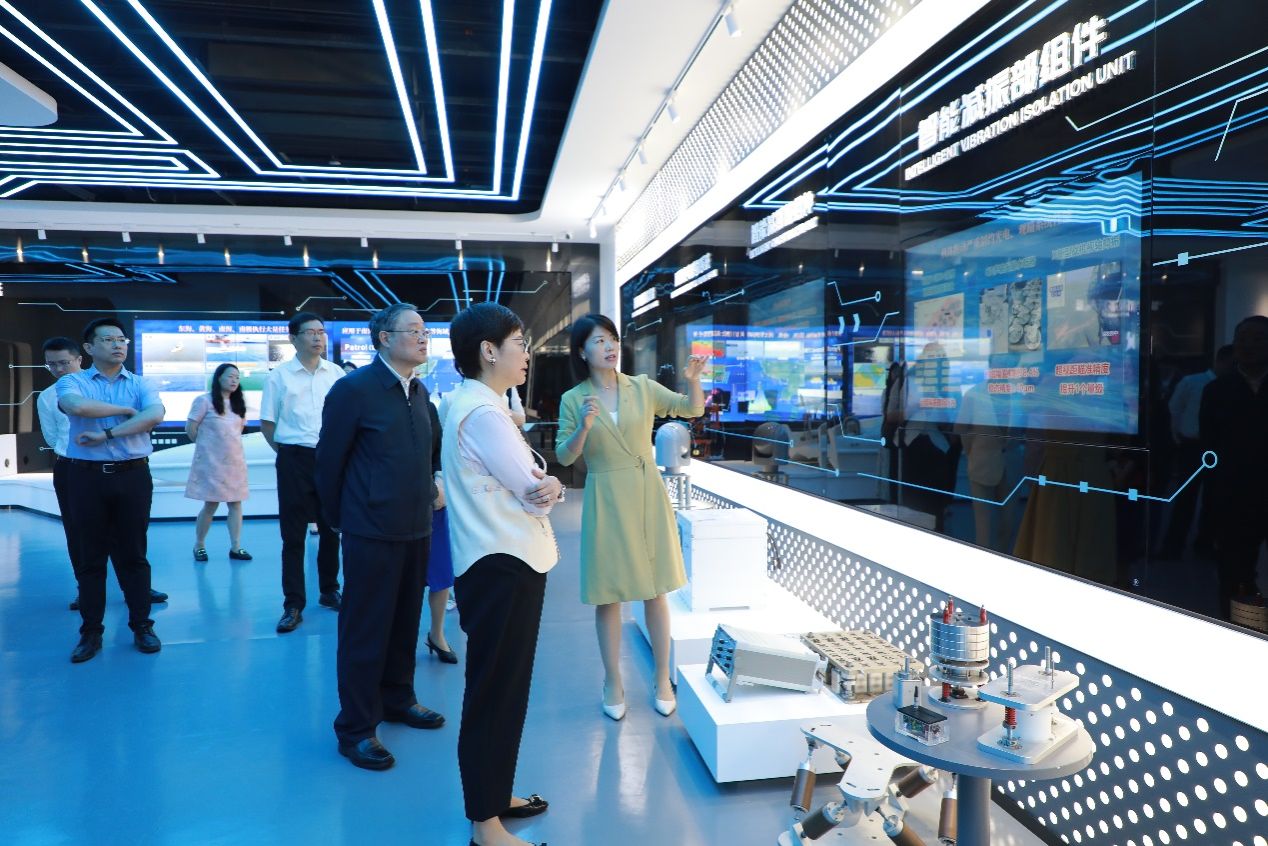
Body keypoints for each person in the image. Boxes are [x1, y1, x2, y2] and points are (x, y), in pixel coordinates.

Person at [443, 302, 562, 846]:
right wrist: (548, 485)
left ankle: (494, 796)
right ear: (488, 351)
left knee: (504, 688)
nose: (527, 355)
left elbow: (531, 479)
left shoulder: (476, 404)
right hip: (503, 564)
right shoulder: (485, 414)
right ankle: (484, 824)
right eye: (520, 344)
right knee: (495, 692)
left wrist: (543, 482)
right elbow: (534, 489)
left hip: (497, 563)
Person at [555, 313, 706, 721]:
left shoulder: (641, 387)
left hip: (645, 492)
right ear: (582, 351)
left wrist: (693, 380)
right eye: (599, 340)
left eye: (613, 338)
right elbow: (564, 456)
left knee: (656, 589)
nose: (609, 346)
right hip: (605, 495)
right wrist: (583, 427)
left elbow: (690, 409)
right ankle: (612, 681)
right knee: (609, 593)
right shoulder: (574, 399)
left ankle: (661, 678)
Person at [316, 303, 446, 771]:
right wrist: (341, 519)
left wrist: (434, 481)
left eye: (425, 330)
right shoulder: (353, 390)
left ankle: (398, 698)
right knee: (365, 629)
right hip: (370, 529)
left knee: (405, 620)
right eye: (413, 330)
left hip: (416, 527)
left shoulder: (419, 391)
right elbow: (328, 462)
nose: (423, 337)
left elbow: (431, 452)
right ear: (384, 338)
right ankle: (355, 727)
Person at [56, 318, 166, 663]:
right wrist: (126, 411)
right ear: (89, 348)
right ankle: (91, 632)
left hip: (133, 476)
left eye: (122, 339)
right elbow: (78, 407)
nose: (118, 345)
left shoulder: (141, 382)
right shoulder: (72, 381)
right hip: (86, 477)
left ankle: (142, 626)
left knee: (134, 554)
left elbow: (155, 415)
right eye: (108, 340)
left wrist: (106, 434)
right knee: (90, 557)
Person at [39, 337, 168, 613]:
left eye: (64, 362)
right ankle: (85, 591)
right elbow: (52, 436)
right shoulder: (48, 397)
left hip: (122, 467)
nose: (58, 369)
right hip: (73, 468)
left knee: (128, 536)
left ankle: (136, 590)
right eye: (52, 364)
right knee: (78, 534)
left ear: (79, 359)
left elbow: (149, 416)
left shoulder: (110, 387)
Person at [260, 312, 344, 633]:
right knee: (293, 535)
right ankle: (293, 604)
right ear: (293, 338)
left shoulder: (335, 374)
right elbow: (268, 424)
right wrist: (288, 453)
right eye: (310, 332)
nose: (318, 337)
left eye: (321, 332)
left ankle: (329, 590)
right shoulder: (279, 377)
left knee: (331, 529)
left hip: (330, 459)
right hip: (293, 458)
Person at [1200, 316, 1268, 619]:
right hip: (1233, 499)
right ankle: (1240, 631)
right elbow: (1209, 452)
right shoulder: (1217, 391)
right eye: (1242, 339)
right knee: (1234, 575)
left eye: (1258, 339)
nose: (1248, 345)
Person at [1162, 344, 1234, 557]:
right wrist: (1178, 437)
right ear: (1220, 361)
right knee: (1187, 498)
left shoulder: (1224, 386)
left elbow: (1175, 409)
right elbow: (1174, 409)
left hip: (1211, 446)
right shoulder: (1193, 382)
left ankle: (1199, 544)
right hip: (1194, 445)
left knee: (1211, 498)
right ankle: (1177, 546)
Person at [186, 363, 252, 562]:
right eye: (230, 376)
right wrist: (207, 449)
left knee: (236, 503)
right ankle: (199, 545)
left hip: (235, 462)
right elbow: (191, 429)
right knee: (211, 504)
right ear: (219, 377)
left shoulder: (239, 404)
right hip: (211, 463)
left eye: (237, 377)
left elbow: (237, 432)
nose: (234, 380)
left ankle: (236, 547)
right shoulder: (204, 401)